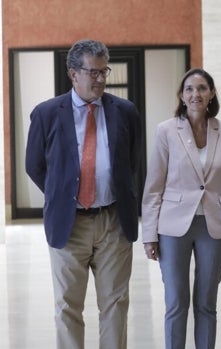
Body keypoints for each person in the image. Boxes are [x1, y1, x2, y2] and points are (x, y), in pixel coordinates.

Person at [25, 39, 142, 349]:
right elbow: (34, 166)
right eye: (94, 72)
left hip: (113, 222)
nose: (101, 79)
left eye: (105, 71)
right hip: (69, 224)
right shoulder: (47, 113)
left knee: (115, 304)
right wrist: (62, 195)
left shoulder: (125, 111)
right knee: (67, 307)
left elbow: (131, 163)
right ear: (73, 74)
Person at [141, 68, 221, 349]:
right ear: (181, 95)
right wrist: (149, 234)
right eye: (189, 89)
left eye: (201, 88)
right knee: (176, 303)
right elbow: (153, 187)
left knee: (206, 303)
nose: (195, 94)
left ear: (211, 94)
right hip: (173, 228)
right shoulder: (166, 130)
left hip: (214, 226)